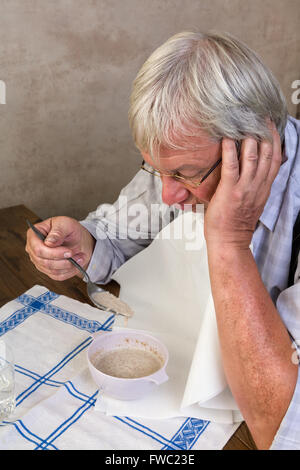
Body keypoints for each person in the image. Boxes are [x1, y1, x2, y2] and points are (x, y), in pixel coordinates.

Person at [26, 31, 300, 450]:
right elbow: (115, 235)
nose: (169, 194)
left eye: (185, 174)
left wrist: (229, 241)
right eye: (157, 170)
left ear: (255, 147)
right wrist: (86, 244)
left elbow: (281, 426)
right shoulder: (187, 157)